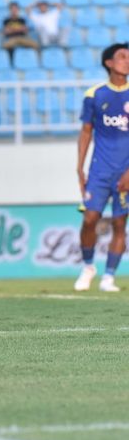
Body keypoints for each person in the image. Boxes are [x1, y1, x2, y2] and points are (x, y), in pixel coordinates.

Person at [75, 44, 129, 292]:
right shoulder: (94, 95)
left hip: (126, 171)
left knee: (119, 223)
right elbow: (86, 131)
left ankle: (109, 277)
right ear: (109, 62)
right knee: (90, 219)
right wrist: (79, 167)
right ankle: (88, 267)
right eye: (122, 57)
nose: (127, 61)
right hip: (99, 171)